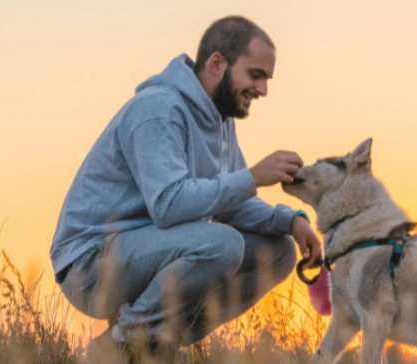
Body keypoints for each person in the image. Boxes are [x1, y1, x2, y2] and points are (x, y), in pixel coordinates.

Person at [49, 15, 323, 360]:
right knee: (222, 244)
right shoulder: (160, 109)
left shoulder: (220, 120)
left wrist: (292, 221)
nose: (262, 90)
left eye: (266, 79)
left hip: (149, 251)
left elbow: (230, 202)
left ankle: (157, 344)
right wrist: (252, 177)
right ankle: (121, 344)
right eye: (255, 75)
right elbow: (167, 205)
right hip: (90, 265)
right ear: (217, 63)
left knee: (279, 252)